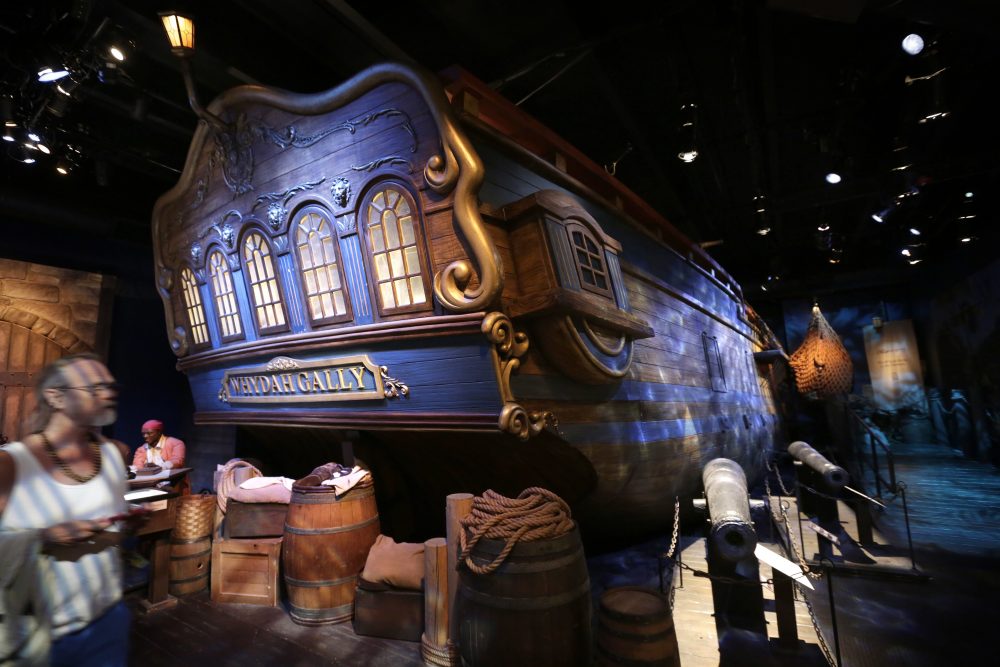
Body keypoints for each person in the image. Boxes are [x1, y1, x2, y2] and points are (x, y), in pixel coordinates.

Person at [0, 353, 133, 666]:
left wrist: (125, 525)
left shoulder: (116, 454)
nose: (109, 394)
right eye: (94, 387)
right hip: (39, 633)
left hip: (109, 619)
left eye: (112, 387)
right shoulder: (12, 464)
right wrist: (44, 536)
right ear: (55, 396)